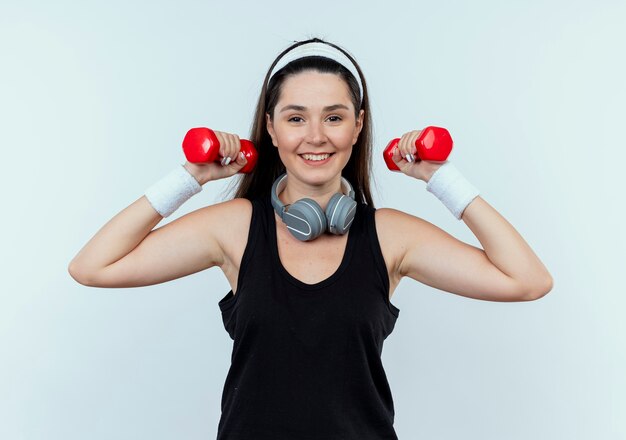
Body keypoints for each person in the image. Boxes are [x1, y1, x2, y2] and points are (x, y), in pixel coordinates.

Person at [68, 37, 553, 439]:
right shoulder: (235, 227)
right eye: (296, 118)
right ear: (271, 130)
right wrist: (191, 177)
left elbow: (527, 280)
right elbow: (93, 267)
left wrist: (440, 177)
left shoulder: (390, 234)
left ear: (358, 128)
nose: (315, 136)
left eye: (335, 117)